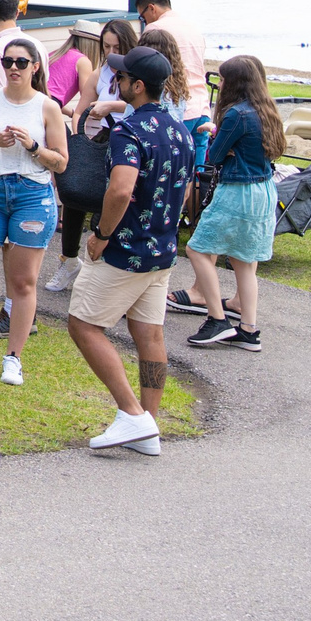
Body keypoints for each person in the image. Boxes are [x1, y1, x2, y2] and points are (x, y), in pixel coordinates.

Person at [65, 45, 196, 455]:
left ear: (137, 86)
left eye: (121, 77)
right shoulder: (181, 130)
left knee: (83, 325)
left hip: (125, 249)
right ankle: (148, 428)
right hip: (162, 251)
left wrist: (101, 234)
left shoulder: (130, 131)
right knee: (149, 334)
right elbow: (186, 189)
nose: (116, 82)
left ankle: (132, 414)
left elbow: (121, 189)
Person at [0, 35, 68, 384]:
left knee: (23, 281)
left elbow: (61, 163)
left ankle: (13, 358)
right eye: (7, 62)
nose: (13, 68)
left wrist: (33, 146)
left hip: (32, 194)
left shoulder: (47, 107)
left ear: (35, 67)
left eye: (21, 62)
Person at [179, 54, 284, 352]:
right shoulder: (266, 109)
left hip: (238, 191)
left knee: (197, 250)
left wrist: (216, 137)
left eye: (223, 79)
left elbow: (214, 156)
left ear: (234, 83)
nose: (221, 84)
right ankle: (249, 330)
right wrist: (220, 137)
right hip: (263, 190)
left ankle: (217, 319)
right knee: (244, 261)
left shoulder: (236, 114)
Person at [48, 16, 142, 294]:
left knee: (111, 199)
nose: (111, 53)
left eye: (117, 48)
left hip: (129, 141)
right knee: (75, 192)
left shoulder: (137, 75)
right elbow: (81, 109)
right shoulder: (100, 72)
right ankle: (69, 259)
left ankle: (102, 264)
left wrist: (111, 106)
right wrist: (80, 137)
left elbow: (141, 105)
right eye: (107, 47)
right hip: (101, 138)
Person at [135, 0, 209, 92]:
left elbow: (144, 69)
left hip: (172, 96)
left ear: (152, 8)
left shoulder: (154, 29)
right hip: (200, 96)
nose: (145, 22)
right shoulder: (193, 28)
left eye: (143, 18)